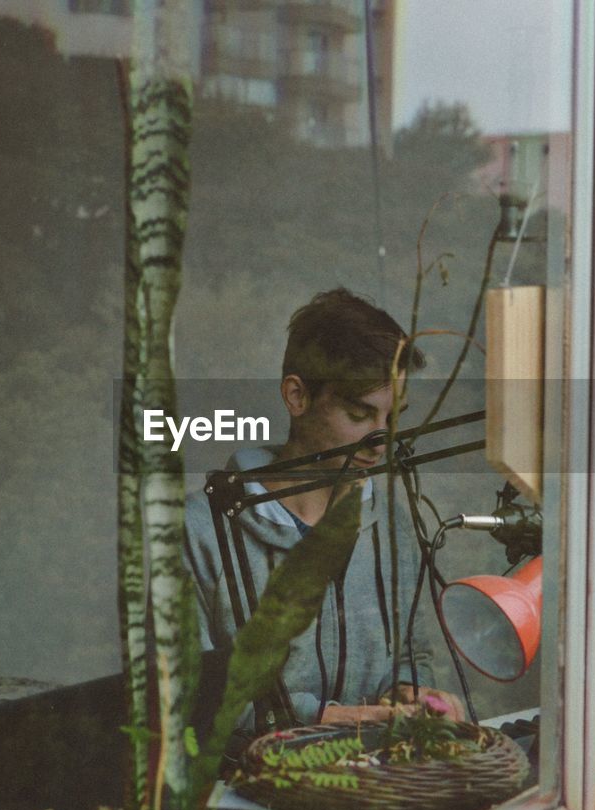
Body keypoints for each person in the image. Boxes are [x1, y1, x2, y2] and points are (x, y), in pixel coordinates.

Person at [182, 288, 464, 729]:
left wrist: (408, 690)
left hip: (373, 779)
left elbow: (412, 654)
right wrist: (333, 717)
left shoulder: (389, 523)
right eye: (360, 413)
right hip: (249, 788)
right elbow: (187, 693)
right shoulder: (199, 531)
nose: (382, 439)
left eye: (393, 418)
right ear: (297, 396)